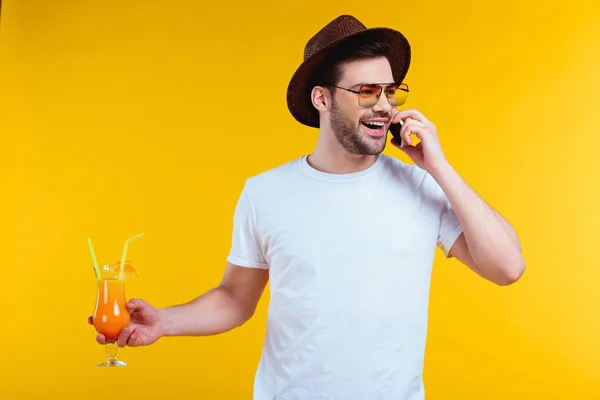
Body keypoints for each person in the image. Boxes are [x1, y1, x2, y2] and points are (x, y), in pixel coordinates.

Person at [88, 15, 525, 399]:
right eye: (367, 92)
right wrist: (164, 321)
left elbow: (507, 267)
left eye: (391, 92)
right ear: (322, 99)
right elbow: (235, 299)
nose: (385, 106)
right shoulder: (264, 193)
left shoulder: (419, 186)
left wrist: (440, 168)